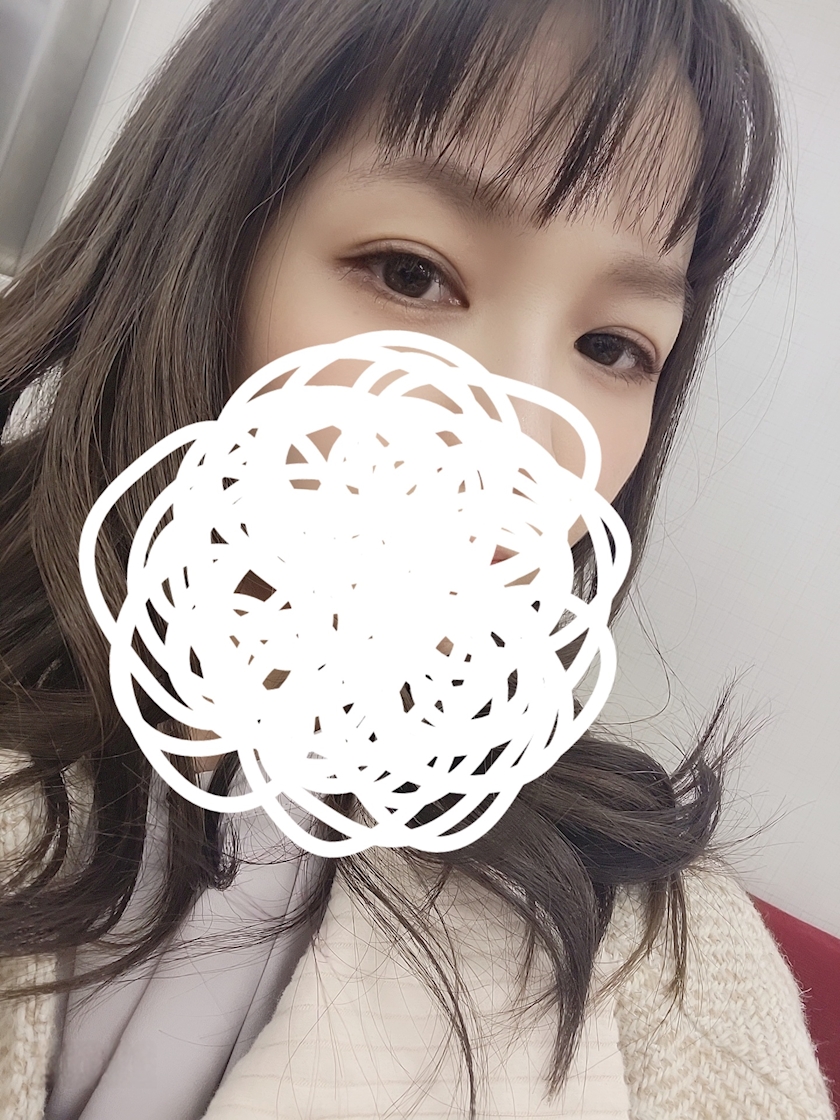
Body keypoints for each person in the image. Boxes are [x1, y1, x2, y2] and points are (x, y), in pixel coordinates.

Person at [0, 0, 834, 1117]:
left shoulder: (662, 951)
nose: (518, 426)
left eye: (610, 346)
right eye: (408, 271)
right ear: (195, 250)